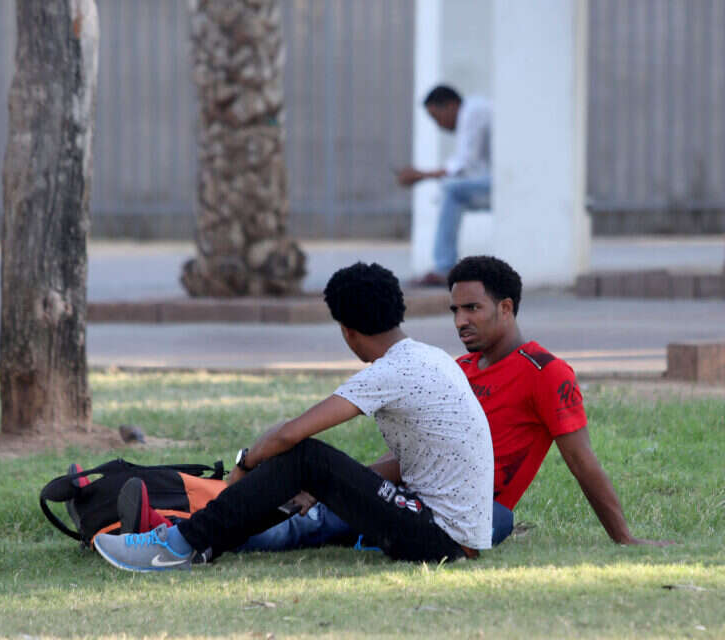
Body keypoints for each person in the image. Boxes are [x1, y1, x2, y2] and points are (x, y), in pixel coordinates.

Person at [240, 256, 672, 551]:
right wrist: (337, 486)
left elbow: (582, 460)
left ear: (506, 308)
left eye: (472, 308)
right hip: (410, 497)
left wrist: (623, 537)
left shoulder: (546, 372)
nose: (460, 320)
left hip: (473, 511)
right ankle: (221, 519)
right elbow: (412, 458)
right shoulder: (454, 368)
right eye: (454, 310)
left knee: (498, 519)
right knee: (306, 516)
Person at [92, 262, 495, 572]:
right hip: (447, 532)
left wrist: (245, 462)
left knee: (305, 457)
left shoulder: (391, 372)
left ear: (347, 330)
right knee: (309, 472)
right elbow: (413, 461)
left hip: (440, 539)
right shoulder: (431, 357)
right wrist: (326, 488)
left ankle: (177, 546)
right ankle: (193, 538)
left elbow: (289, 435)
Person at [396, 85, 491, 287]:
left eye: (436, 117)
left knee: (452, 191)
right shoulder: (473, 110)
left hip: (505, 184)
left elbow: (464, 165)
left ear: (451, 105)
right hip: (498, 181)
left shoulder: (472, 112)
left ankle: (443, 267)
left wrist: (421, 175)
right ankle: (444, 265)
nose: (438, 125)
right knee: (450, 193)